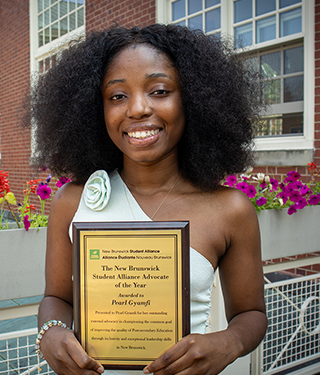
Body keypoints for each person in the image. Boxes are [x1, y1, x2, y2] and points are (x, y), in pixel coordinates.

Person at [29, 24, 267, 375]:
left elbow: (252, 314)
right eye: (118, 96)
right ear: (96, 110)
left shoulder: (229, 210)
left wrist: (228, 343)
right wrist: (51, 333)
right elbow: (56, 298)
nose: (138, 109)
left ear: (193, 99)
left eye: (159, 90)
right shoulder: (71, 201)